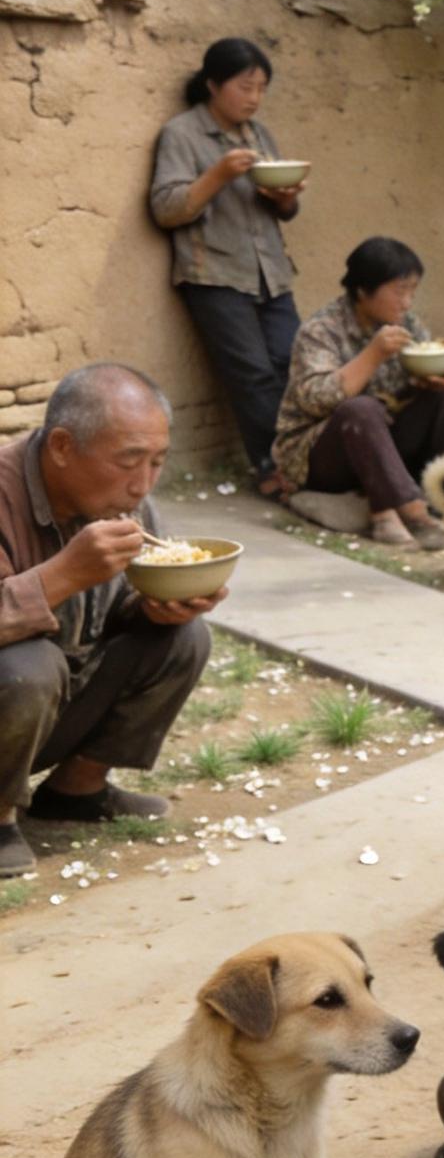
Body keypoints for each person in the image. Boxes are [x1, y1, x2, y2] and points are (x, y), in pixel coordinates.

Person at [0, 365, 220, 879]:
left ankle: (77, 789)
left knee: (185, 638)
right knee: (30, 664)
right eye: (128, 461)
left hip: (47, 715)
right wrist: (61, 575)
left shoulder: (127, 502)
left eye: (157, 463)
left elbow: (119, 612)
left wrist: (154, 609)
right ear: (61, 447)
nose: (142, 483)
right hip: (17, 692)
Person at [150, 37, 306, 499]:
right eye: (245, 86)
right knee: (253, 373)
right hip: (213, 273)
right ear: (214, 84)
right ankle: (270, 468)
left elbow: (284, 212)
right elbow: (166, 209)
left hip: (270, 271)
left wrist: (287, 198)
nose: (254, 98)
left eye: (261, 88)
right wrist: (218, 174)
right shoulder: (182, 134)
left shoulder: (259, 134)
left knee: (291, 363)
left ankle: (305, 459)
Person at [271, 237, 444, 549]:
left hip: (385, 448)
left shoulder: (406, 323)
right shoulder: (321, 330)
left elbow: (426, 374)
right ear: (362, 290)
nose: (407, 302)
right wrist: (373, 354)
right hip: (322, 458)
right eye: (400, 291)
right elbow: (315, 400)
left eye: (412, 291)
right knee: (361, 409)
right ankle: (413, 514)